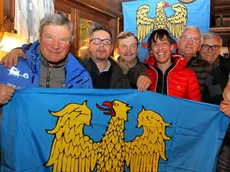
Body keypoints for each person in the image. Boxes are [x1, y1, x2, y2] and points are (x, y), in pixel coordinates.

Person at [0, 13, 93, 106]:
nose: (55, 46)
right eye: (49, 37)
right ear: (39, 38)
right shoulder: (12, 63)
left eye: (63, 39)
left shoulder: (82, 78)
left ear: (70, 43)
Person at [144, 29, 201, 101]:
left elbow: (196, 107)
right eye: (155, 44)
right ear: (151, 50)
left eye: (164, 43)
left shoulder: (189, 75)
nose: (160, 48)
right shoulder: (145, 75)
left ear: (171, 46)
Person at [177, 26, 210, 95]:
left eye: (195, 39)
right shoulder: (167, 62)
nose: (190, 42)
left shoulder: (206, 67)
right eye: (185, 38)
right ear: (178, 42)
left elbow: (214, 95)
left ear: (199, 46)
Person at [201, 32, 230, 104]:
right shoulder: (189, 65)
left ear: (220, 49)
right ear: (199, 47)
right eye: (205, 46)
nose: (210, 50)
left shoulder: (227, 67)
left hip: (219, 112)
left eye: (215, 47)